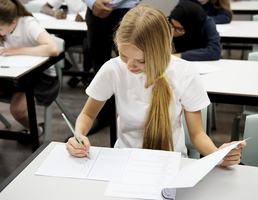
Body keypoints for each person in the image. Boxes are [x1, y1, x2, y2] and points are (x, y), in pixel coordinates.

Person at [66, 4, 246, 167]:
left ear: (160, 52)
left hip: (171, 163)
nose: (129, 66)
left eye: (141, 60)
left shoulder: (184, 72)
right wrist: (79, 135)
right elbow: (88, 114)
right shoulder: (114, 69)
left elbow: (198, 135)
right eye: (123, 55)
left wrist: (217, 155)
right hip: (125, 161)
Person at [0, 0, 60, 136]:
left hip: (41, 76)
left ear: (14, 22)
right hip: (13, 72)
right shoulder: (4, 25)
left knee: (18, 110)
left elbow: (53, 49)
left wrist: (16, 50)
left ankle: (35, 131)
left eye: (0, 29)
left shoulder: (28, 23)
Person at [82, 0, 139, 134]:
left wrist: (111, 2)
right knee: (99, 66)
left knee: (135, 66)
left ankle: (136, 118)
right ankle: (102, 116)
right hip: (95, 11)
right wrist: (93, 2)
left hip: (126, 10)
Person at [40, 0, 91, 87]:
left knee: (90, 46)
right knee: (52, 45)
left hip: (91, 28)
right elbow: (44, 8)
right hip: (73, 29)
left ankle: (85, 74)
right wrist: (55, 13)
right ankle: (78, 73)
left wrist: (84, 15)